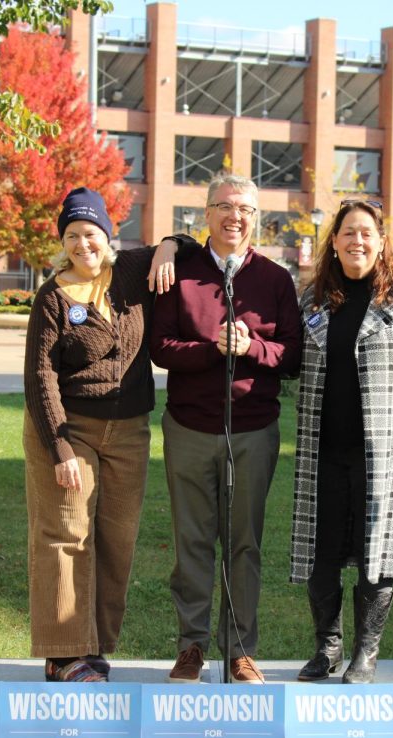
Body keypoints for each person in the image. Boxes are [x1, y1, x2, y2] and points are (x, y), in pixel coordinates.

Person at [23, 187, 195, 683]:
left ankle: (92, 647)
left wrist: (166, 245)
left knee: (117, 540)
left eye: (91, 233)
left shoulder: (132, 272)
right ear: (64, 241)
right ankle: (62, 656)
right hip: (67, 428)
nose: (83, 244)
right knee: (66, 535)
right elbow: (40, 379)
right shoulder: (53, 296)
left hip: (130, 431)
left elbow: (187, 244)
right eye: (73, 235)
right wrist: (59, 449)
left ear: (108, 235)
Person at [290, 199, 393, 684]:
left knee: (375, 555)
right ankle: (328, 649)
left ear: (381, 241)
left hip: (380, 460)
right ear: (334, 242)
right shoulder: (313, 300)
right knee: (320, 556)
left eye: (366, 233)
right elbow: (292, 362)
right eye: (347, 233)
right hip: (322, 455)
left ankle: (366, 654)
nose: (356, 241)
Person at [151, 174, 303, 684]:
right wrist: (209, 350)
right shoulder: (180, 271)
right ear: (206, 213)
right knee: (192, 542)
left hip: (254, 432)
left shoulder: (276, 279)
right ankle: (191, 647)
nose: (234, 216)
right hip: (189, 429)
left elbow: (292, 354)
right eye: (224, 206)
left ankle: (239, 651)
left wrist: (250, 349)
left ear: (255, 218)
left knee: (244, 545)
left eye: (245, 209)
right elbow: (161, 346)